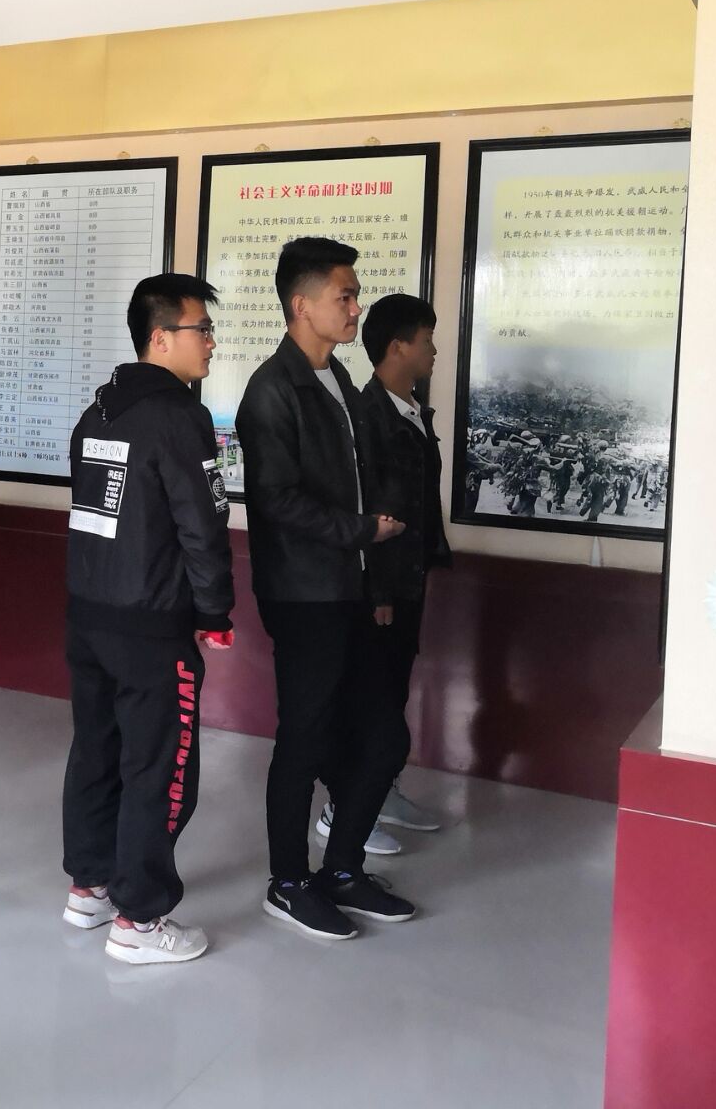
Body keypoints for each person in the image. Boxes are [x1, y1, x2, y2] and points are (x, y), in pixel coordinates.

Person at [238, 237, 415, 943]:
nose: (355, 307)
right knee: (306, 738)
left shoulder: (337, 378)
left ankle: (342, 868)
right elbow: (275, 499)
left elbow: (361, 479)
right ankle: (287, 882)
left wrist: (374, 558)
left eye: (355, 293)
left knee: (381, 735)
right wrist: (361, 531)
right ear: (301, 304)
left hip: (352, 584)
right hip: (304, 591)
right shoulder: (271, 390)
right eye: (344, 295)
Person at [61, 273, 233, 966]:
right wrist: (215, 610)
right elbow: (202, 524)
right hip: (152, 622)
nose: (212, 343)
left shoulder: (99, 410)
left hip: (88, 616)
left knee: (96, 751)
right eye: (202, 330)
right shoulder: (178, 417)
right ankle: (139, 918)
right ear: (160, 338)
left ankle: (90, 885)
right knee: (159, 766)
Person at [340, 293, 454, 845]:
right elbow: (370, 509)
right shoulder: (369, 416)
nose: (434, 351)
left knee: (393, 692)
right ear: (397, 346)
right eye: (426, 340)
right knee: (372, 701)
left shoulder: (409, 411)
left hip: (409, 578)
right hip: (382, 588)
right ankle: (345, 811)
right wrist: (380, 590)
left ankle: (382, 793)